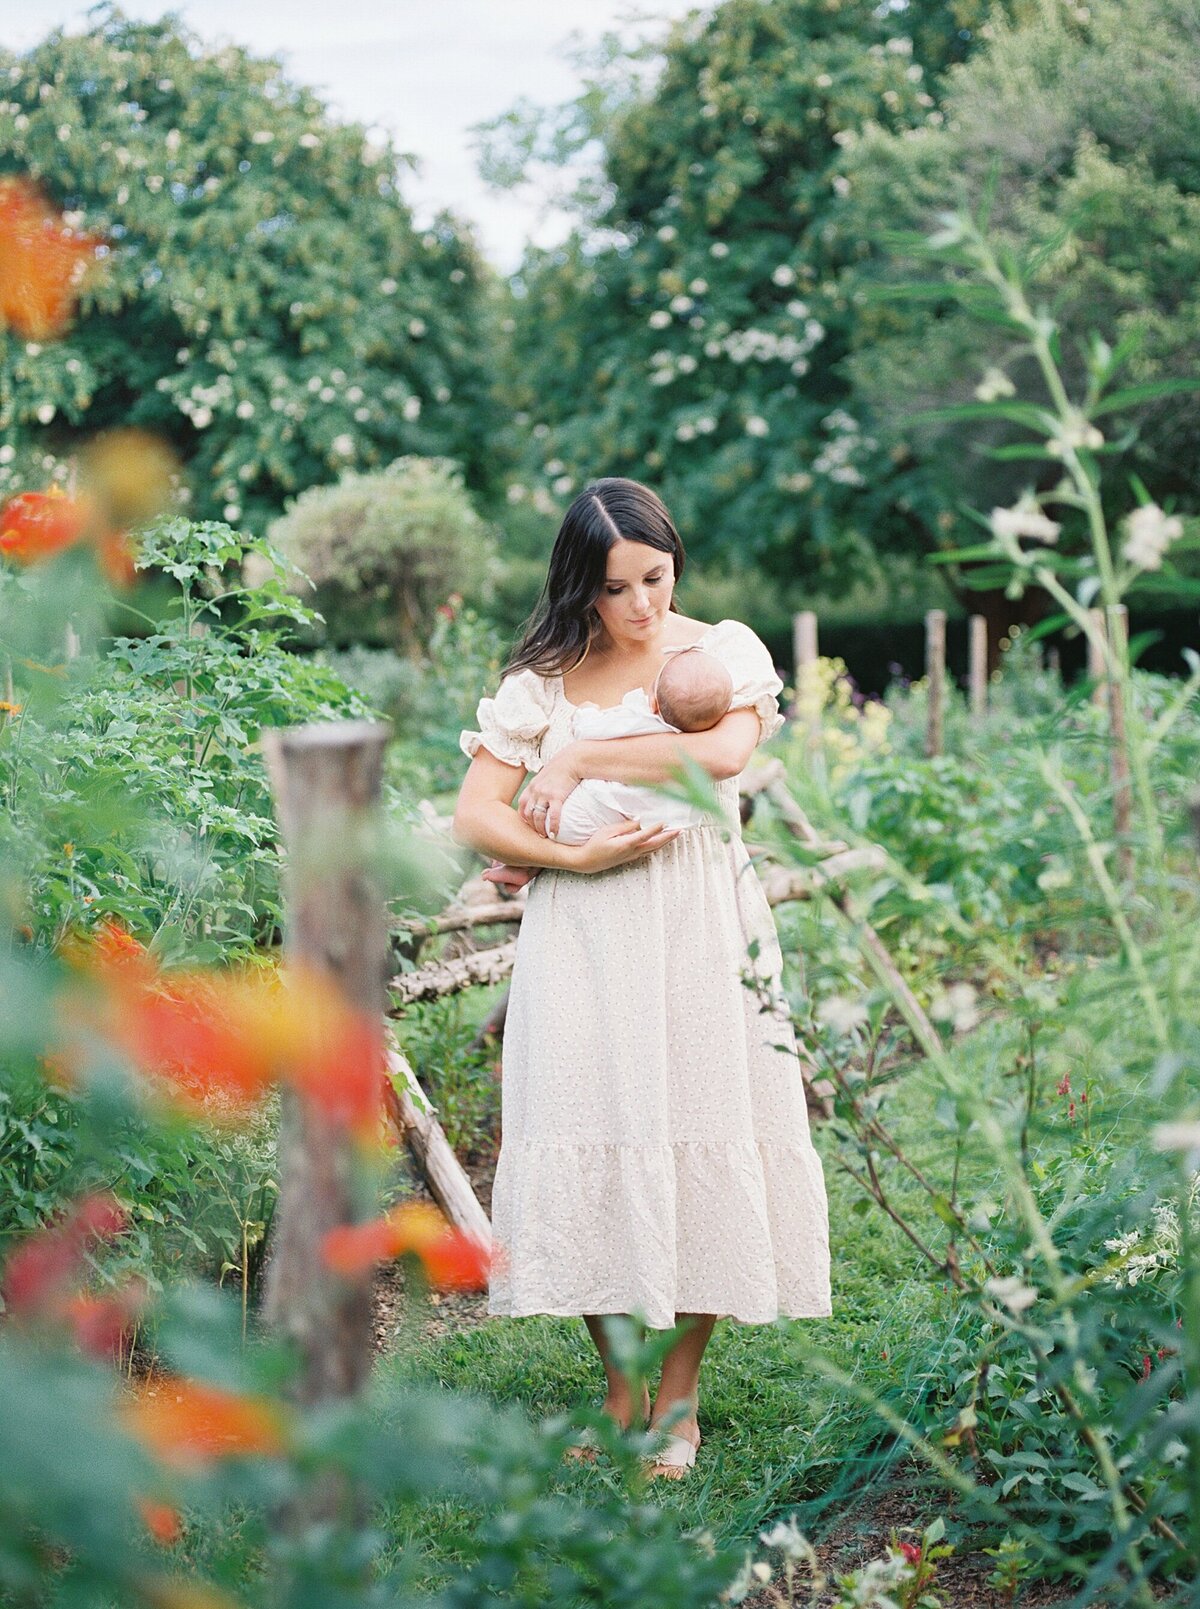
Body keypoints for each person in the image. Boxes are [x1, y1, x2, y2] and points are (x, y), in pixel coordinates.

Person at [452, 477, 832, 1480]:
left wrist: (582, 765)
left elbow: (730, 749)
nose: (642, 607)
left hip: (700, 922)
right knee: (588, 1128)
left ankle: (679, 1397)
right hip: (584, 929)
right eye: (617, 588)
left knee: (701, 1120)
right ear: (582, 587)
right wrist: (570, 857)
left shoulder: (722, 653)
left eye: (655, 578)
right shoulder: (541, 680)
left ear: (674, 564)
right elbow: (477, 814)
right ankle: (622, 1391)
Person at [551, 644, 734, 845]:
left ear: (654, 703)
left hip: (597, 810)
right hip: (645, 825)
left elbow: (589, 731)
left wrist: (586, 712)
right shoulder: (699, 745)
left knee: (551, 826)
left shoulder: (640, 720)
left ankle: (528, 862)